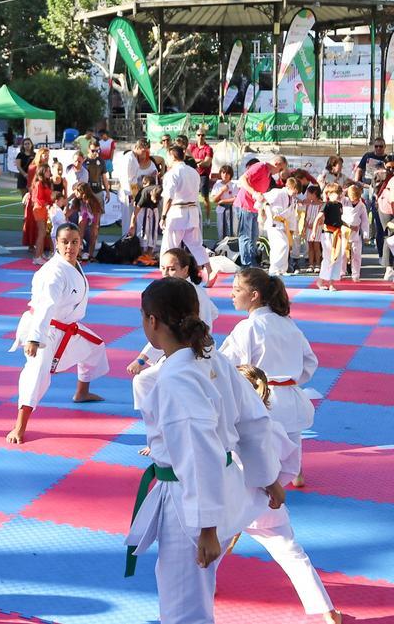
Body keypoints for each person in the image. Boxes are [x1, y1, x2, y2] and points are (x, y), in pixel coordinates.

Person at [125, 277, 285, 622]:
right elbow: (253, 418)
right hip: (222, 487)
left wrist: (206, 527)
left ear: (151, 321)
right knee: (189, 594)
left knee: (184, 607)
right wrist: (267, 476)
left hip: (190, 502)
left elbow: (199, 451)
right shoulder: (209, 357)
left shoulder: (177, 377)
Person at [232, 366, 344, 624]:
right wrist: (276, 486)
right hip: (266, 504)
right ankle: (327, 611)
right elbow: (291, 466)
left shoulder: (223, 429)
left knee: (207, 554)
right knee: (294, 556)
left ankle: (206, 590)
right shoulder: (272, 427)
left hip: (229, 504)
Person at [7, 224, 108, 444]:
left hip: (64, 326)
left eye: (74, 242)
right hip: (45, 329)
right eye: (65, 242)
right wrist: (35, 338)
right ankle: (19, 426)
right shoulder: (54, 272)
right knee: (37, 373)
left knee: (95, 347)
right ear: (56, 242)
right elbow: (45, 305)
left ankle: (82, 393)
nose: (70, 247)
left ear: (80, 242)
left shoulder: (73, 265)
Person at [221, 268, 318, 488]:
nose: (232, 294)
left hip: (261, 399)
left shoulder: (247, 327)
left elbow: (227, 363)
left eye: (237, 290)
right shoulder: (287, 322)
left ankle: (265, 481)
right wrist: (292, 380)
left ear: (254, 295)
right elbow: (310, 361)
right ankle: (297, 471)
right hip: (291, 396)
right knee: (292, 438)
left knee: (258, 444)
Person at [125, 248, 218, 400]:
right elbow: (214, 313)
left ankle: (155, 421)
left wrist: (142, 359)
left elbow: (166, 332)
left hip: (191, 351)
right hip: (202, 350)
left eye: (172, 269)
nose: (166, 273)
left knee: (143, 381)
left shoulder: (182, 295)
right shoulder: (194, 291)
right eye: (162, 268)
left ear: (185, 269)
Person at [160, 146, 211, 275]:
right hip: (192, 211)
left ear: (172, 156)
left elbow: (168, 197)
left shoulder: (172, 173)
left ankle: (166, 273)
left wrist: (164, 216)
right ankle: (210, 271)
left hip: (177, 212)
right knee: (196, 245)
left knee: (169, 245)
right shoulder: (194, 172)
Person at [235, 155, 286, 268]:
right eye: (281, 169)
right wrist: (254, 193)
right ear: (277, 163)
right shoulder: (260, 166)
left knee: (254, 236)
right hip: (245, 205)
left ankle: (252, 261)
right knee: (246, 235)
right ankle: (246, 264)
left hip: (254, 207)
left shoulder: (268, 175)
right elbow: (243, 179)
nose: (280, 172)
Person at [262, 177, 299, 276]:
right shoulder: (278, 192)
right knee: (282, 245)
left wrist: (291, 230)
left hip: (283, 225)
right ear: (288, 186)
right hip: (274, 223)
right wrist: (268, 214)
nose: (295, 194)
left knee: (282, 246)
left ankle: (281, 270)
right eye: (294, 190)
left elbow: (291, 216)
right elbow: (264, 201)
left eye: (296, 192)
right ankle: (275, 269)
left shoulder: (292, 200)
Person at [120, 139, 158, 235]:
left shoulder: (134, 158)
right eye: (143, 150)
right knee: (128, 218)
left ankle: (136, 239)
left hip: (134, 188)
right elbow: (125, 177)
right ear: (136, 148)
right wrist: (129, 194)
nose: (144, 153)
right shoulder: (129, 158)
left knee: (136, 215)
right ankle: (127, 239)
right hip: (127, 190)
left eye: (146, 151)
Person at [314, 183, 346, 291]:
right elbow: (318, 218)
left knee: (337, 258)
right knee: (328, 257)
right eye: (334, 193)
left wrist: (347, 225)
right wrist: (314, 231)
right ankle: (321, 280)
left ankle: (332, 283)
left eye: (338, 193)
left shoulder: (339, 205)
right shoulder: (326, 205)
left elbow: (338, 219)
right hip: (327, 234)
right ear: (329, 194)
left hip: (338, 233)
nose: (337, 195)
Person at [341, 184, 369, 280]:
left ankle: (356, 274)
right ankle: (341, 272)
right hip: (344, 230)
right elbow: (338, 196)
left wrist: (366, 234)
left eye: (356, 199)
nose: (354, 200)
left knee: (356, 254)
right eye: (352, 198)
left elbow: (365, 221)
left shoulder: (362, 206)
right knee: (342, 253)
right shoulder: (344, 201)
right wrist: (346, 190)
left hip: (356, 233)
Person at [28, 163, 53, 265]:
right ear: (42, 172)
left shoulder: (47, 183)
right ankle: (37, 257)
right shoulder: (39, 184)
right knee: (42, 233)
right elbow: (37, 199)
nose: (49, 172)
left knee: (44, 233)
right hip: (39, 209)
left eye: (49, 170)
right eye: (47, 171)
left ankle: (40, 254)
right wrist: (47, 204)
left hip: (45, 209)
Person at [210, 165, 238, 241]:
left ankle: (232, 247)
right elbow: (214, 200)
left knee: (232, 230)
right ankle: (222, 247)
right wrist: (221, 191)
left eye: (227, 173)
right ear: (221, 173)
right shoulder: (217, 185)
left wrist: (223, 201)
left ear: (231, 175)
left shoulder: (234, 185)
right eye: (223, 172)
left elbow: (236, 199)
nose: (225, 175)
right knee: (221, 231)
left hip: (231, 211)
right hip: (220, 211)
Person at [303, 184, 324, 275]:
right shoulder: (309, 205)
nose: (307, 196)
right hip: (309, 228)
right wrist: (306, 225)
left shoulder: (321, 205)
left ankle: (318, 264)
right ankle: (311, 264)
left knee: (316, 246)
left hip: (317, 228)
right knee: (310, 246)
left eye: (308, 194)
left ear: (314, 193)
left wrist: (315, 224)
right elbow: (306, 216)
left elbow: (322, 218)